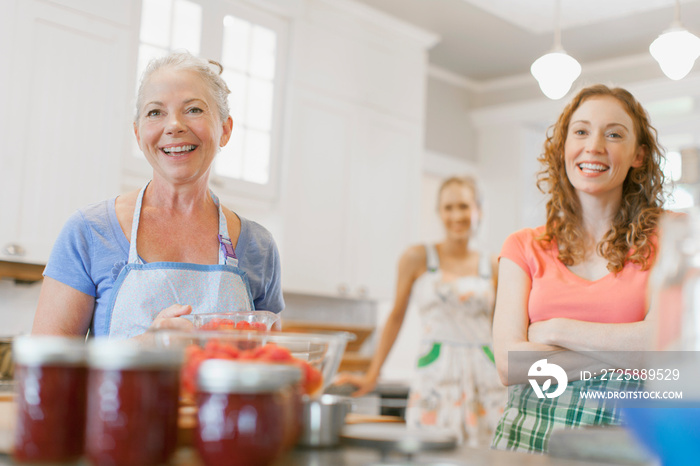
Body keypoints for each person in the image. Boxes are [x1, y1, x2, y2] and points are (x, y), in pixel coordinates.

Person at [32, 51, 283, 340]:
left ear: (225, 129)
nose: (174, 125)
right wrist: (141, 351)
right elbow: (48, 373)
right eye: (155, 112)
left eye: (194, 109)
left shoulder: (259, 248)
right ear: (138, 134)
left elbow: (270, 367)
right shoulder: (88, 231)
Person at [491, 84, 666, 453]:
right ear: (564, 148)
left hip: (627, 439)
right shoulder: (522, 246)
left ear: (638, 155)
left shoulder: (669, 237)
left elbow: (664, 348)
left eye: (614, 134)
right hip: (528, 438)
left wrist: (555, 329)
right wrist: (624, 350)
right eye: (581, 131)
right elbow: (509, 365)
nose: (594, 146)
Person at [335, 176, 507, 447]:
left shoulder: (495, 266)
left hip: (486, 377)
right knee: (429, 451)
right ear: (439, 212)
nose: (456, 215)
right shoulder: (417, 257)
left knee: (487, 455)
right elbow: (396, 317)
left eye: (463, 206)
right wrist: (372, 375)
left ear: (479, 210)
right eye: (448, 208)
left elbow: (503, 329)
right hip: (436, 375)